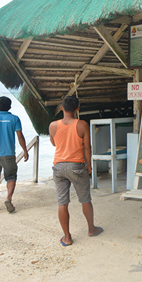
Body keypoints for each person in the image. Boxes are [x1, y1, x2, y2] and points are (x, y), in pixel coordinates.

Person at [49, 96, 103, 246]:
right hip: (76, 166)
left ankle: (67, 237)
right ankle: (91, 229)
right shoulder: (82, 125)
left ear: (62, 108)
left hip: (58, 167)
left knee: (62, 203)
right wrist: (89, 165)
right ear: (77, 109)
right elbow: (87, 147)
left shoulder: (53, 125)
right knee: (85, 199)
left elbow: (54, 143)